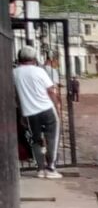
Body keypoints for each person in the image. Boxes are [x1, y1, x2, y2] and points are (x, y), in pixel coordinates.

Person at [13, 46, 63, 179]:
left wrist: (22, 112)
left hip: (29, 113)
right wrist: (57, 107)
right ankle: (51, 168)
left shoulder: (14, 73)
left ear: (20, 58)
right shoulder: (39, 72)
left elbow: (16, 95)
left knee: (35, 140)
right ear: (34, 58)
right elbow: (51, 91)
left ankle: (40, 169)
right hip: (46, 109)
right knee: (52, 138)